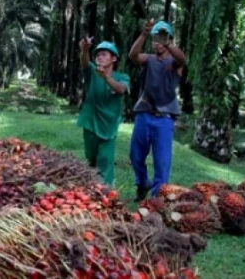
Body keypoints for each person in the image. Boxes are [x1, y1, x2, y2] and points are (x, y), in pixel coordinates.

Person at [128, 20, 187, 202]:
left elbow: (182, 59)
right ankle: (143, 183)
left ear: (169, 38)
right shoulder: (150, 59)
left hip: (164, 119)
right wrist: (144, 34)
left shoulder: (174, 63)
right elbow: (133, 56)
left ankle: (156, 200)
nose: (157, 42)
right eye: (155, 38)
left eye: (161, 37)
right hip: (144, 114)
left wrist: (168, 43)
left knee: (162, 162)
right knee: (135, 155)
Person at [76, 37, 129, 186]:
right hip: (90, 123)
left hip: (108, 126)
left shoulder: (121, 77)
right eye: (97, 54)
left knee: (105, 162)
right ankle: (89, 190)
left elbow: (121, 89)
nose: (100, 57)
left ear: (114, 58)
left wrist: (105, 76)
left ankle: (106, 194)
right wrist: (85, 49)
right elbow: (85, 62)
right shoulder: (92, 72)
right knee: (90, 160)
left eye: (104, 54)